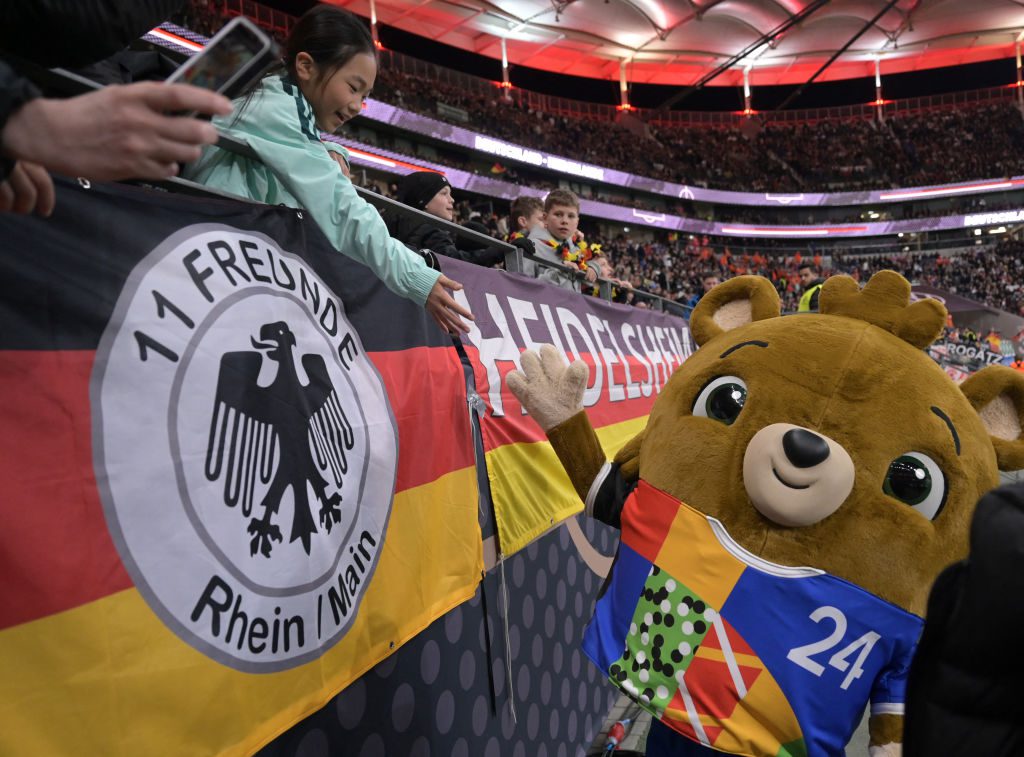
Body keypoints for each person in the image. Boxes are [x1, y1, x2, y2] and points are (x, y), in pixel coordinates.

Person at [182, 6, 471, 334]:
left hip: (219, 249)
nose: (356, 106)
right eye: (353, 87)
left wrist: (331, 149)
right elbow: (342, 208)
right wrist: (415, 275)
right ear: (305, 66)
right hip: (215, 255)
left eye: (365, 96)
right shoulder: (279, 107)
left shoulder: (279, 100)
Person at [385, 170, 526, 268]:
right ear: (424, 200)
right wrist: (500, 250)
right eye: (443, 193)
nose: (451, 200)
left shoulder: (400, 224)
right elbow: (455, 264)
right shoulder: (427, 230)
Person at [527, 188, 596, 291]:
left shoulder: (576, 251)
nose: (564, 221)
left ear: (577, 222)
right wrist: (559, 273)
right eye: (558, 214)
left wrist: (594, 268)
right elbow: (523, 288)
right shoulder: (531, 247)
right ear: (545, 218)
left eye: (571, 216)